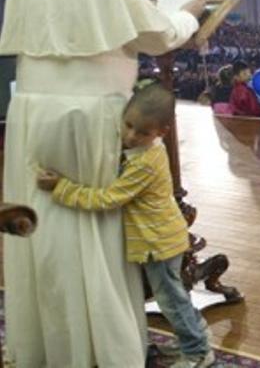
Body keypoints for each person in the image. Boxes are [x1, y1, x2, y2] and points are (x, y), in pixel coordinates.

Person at [0, 0, 205, 366]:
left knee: (46, 226)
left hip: (30, 111)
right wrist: (187, 15)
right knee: (94, 227)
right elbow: (157, 36)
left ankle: (48, 347)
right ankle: (103, 349)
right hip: (87, 114)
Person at [35, 84, 215, 367]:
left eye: (142, 132)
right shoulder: (144, 152)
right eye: (128, 125)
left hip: (159, 242)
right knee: (173, 296)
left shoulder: (145, 162)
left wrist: (62, 187)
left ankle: (197, 351)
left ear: (161, 133)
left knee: (170, 300)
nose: (131, 136)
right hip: (159, 237)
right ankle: (196, 340)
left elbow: (109, 198)